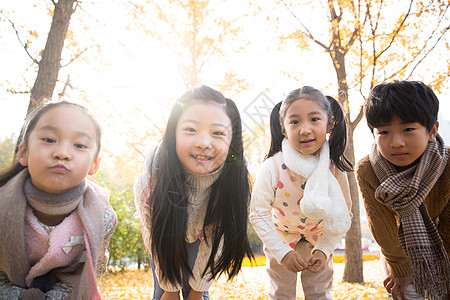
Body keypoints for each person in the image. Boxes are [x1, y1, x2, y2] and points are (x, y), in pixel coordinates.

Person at [134, 85, 254, 300]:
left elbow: (217, 243)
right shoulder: (150, 181)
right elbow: (155, 236)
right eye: (190, 129)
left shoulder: (236, 182)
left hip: (206, 236)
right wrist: (170, 290)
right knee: (163, 292)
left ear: (232, 139)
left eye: (218, 133)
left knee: (197, 293)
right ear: (174, 134)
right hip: (165, 233)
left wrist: (198, 291)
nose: (203, 143)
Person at [0, 101, 117, 300]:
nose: (62, 153)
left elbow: (87, 275)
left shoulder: (103, 217)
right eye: (48, 139)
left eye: (79, 145)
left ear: (94, 164)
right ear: (23, 152)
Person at [250, 86, 353, 300]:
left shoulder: (333, 169)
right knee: (281, 294)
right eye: (295, 121)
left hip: (319, 239)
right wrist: (282, 253)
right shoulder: (273, 167)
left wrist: (324, 249)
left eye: (314, 119)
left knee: (319, 294)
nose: (304, 130)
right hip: (281, 239)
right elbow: (258, 213)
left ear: (330, 123)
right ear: (283, 128)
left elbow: (344, 214)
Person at [356, 80, 449, 300]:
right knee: (406, 291)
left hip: (443, 243)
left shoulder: (446, 165)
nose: (396, 142)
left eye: (408, 129)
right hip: (398, 247)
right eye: (384, 132)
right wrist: (401, 269)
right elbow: (381, 225)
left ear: (432, 130)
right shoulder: (368, 169)